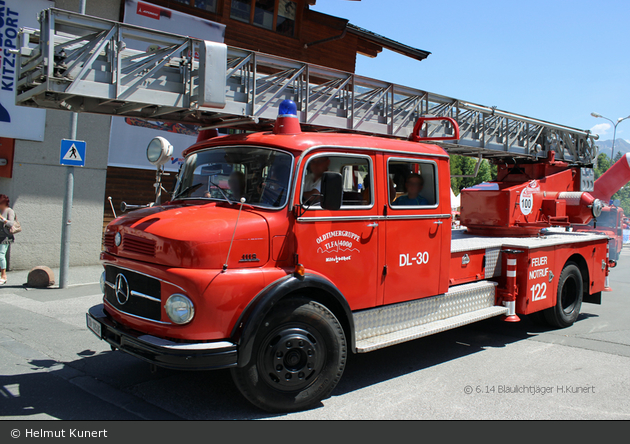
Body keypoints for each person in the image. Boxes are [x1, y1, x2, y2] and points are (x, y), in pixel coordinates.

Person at [0, 194, 16, 284]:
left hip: (5, 237)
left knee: (1, 255)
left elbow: (10, 224)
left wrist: (2, 219)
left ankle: (4, 275)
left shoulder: (9, 211)